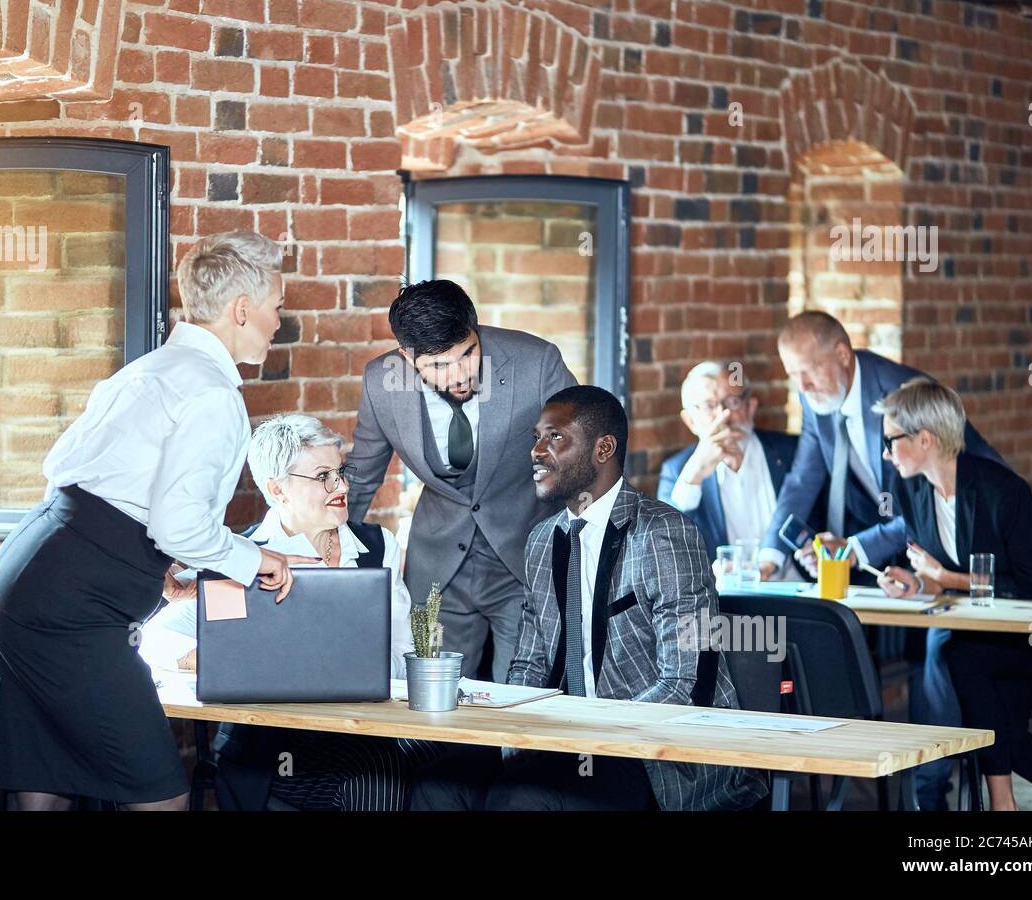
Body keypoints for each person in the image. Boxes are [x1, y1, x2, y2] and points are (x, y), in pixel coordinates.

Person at [0, 232, 315, 811]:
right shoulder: (212, 394)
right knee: (159, 796)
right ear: (242, 310)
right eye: (276, 307)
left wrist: (151, 568)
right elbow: (178, 524)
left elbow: (81, 480)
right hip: (71, 613)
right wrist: (259, 558)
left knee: (44, 788)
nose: (277, 322)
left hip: (26, 578)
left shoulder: (153, 368)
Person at [410, 386, 770, 810]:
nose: (537, 451)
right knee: (436, 785)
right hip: (563, 739)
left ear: (604, 448)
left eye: (555, 437)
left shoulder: (663, 535)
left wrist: (583, 734)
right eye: (536, 438)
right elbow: (528, 664)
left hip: (654, 753)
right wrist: (514, 740)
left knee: (521, 799)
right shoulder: (543, 540)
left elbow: (684, 684)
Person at [140, 414, 438, 811]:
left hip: (365, 728)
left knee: (459, 760)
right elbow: (151, 642)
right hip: (274, 748)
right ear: (278, 489)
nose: (342, 486)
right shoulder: (240, 558)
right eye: (323, 477)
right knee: (376, 773)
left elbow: (403, 652)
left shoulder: (376, 546)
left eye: (341, 472)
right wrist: (224, 660)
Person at [346, 280, 577, 681]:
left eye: (467, 354)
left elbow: (582, 455)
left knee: (521, 704)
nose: (457, 375)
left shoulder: (536, 362)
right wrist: (322, 554)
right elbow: (362, 476)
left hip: (524, 562)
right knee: (432, 706)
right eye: (437, 366)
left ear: (477, 330)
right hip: (436, 568)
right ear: (406, 356)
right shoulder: (381, 382)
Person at [874, 378, 1032, 811]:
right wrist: (917, 583)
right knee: (1003, 724)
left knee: (964, 660)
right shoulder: (909, 491)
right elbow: (936, 569)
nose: (885, 452)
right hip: (979, 631)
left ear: (925, 439)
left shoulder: (1003, 491)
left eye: (890, 441)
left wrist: (947, 580)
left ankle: (1002, 801)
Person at [760, 311, 1004, 581]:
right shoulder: (814, 397)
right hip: (870, 546)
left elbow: (957, 489)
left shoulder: (903, 393)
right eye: (794, 375)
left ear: (842, 355)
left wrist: (858, 548)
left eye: (810, 370)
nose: (803, 386)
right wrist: (770, 556)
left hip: (938, 551)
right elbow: (803, 479)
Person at [658, 360, 817, 574]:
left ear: (751, 407)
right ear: (691, 421)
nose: (723, 416)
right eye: (708, 406)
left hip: (802, 593)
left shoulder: (792, 451)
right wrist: (693, 474)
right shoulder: (677, 471)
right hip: (730, 603)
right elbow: (663, 546)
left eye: (732, 402)